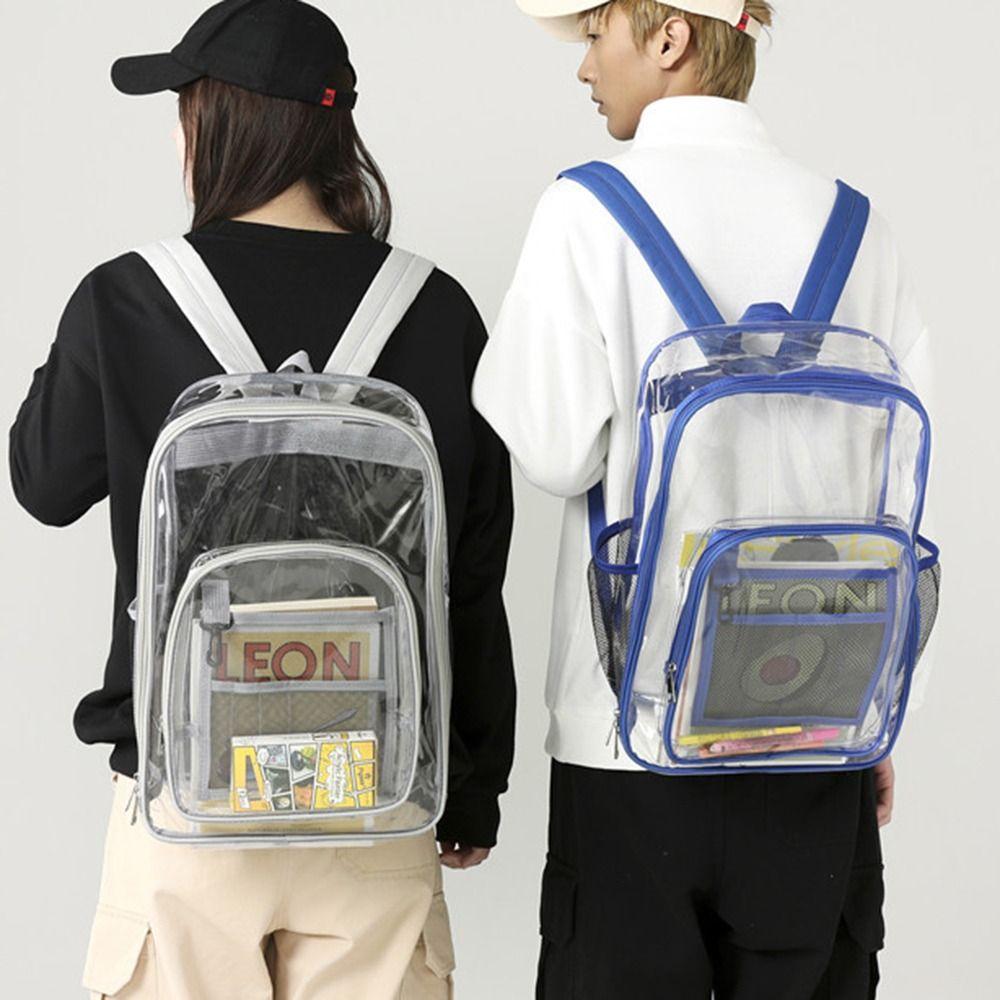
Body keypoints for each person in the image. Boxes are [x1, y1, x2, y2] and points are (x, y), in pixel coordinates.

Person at [8, 2, 515, 997]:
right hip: (377, 790)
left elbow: (43, 482)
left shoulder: (127, 296)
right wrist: (472, 786)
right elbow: (472, 571)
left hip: (185, 795)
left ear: (217, 122)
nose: (177, 134)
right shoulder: (437, 308)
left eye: (184, 108)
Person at [473, 2, 933, 997]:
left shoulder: (587, 209)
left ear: (668, 39)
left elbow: (551, 449)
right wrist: (877, 714)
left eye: (596, 34)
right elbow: (898, 500)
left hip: (632, 744)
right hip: (818, 728)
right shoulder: (858, 227)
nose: (585, 66)